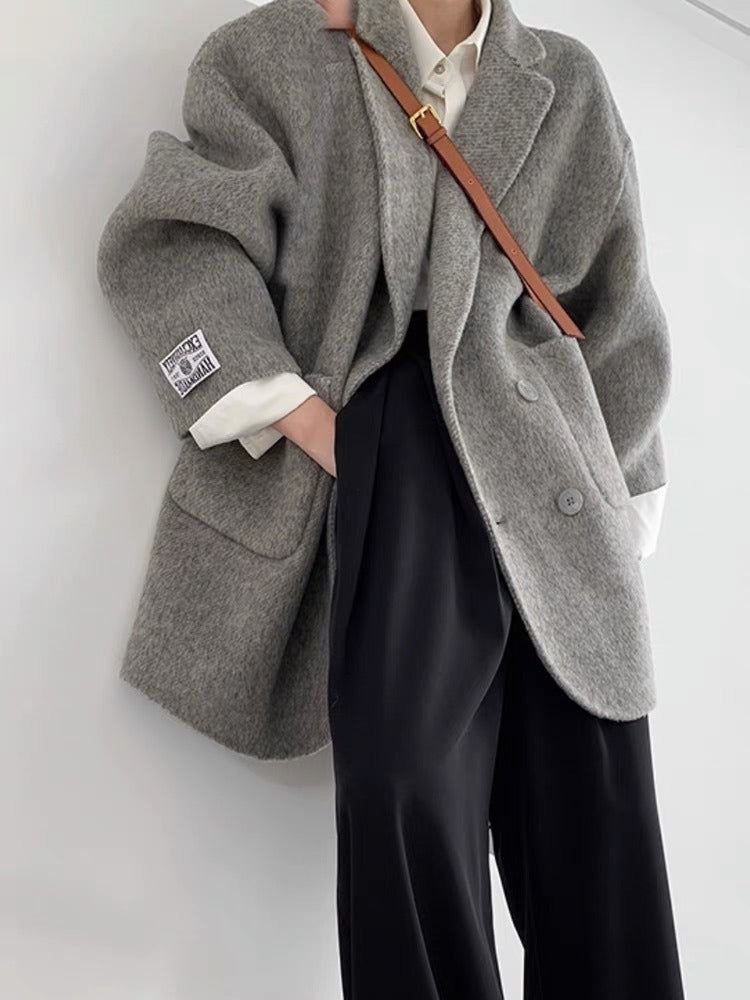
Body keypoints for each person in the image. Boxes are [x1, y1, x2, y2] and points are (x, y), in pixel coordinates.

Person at [96, 1, 686, 997]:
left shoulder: (567, 80)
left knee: (599, 829)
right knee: (403, 791)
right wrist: (301, 414)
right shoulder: (272, 54)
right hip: (393, 441)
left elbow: (615, 307)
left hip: (550, 462)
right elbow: (173, 243)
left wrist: (618, 502)